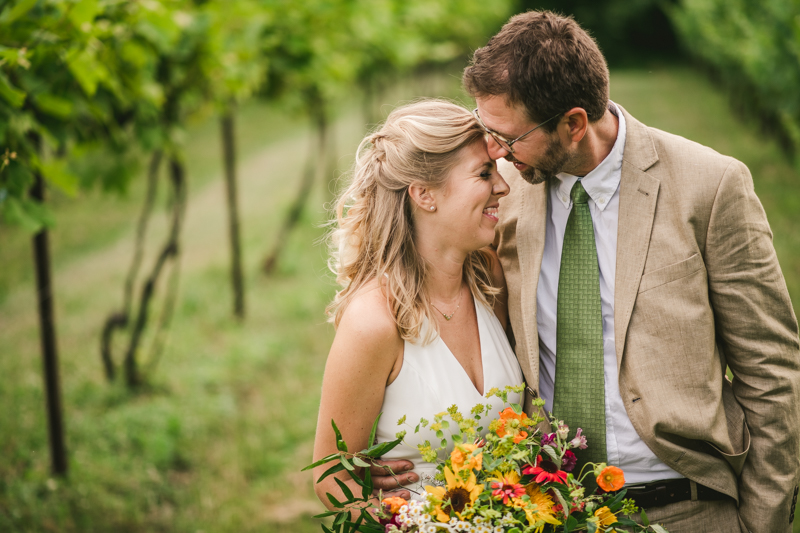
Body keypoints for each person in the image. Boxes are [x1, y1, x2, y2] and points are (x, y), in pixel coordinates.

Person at [374, 11, 800, 532]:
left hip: (690, 507)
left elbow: (772, 372)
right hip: (549, 511)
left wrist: (764, 523)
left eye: (507, 135)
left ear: (573, 124)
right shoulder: (502, 197)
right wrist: (399, 456)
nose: (494, 151)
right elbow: (429, 289)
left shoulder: (709, 187)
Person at [311, 99, 524, 512]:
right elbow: (331, 476)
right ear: (425, 194)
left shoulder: (490, 279)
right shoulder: (374, 323)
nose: (503, 186)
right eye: (484, 173)